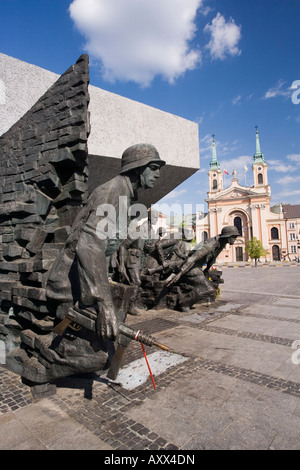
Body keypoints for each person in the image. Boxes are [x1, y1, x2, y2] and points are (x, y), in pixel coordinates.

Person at [46, 144, 165, 340]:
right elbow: (89, 245)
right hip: (69, 286)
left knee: (109, 341)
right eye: (153, 167)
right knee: (101, 353)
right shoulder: (113, 192)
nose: (158, 174)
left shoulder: (124, 194)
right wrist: (104, 303)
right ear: (136, 168)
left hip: (82, 283)